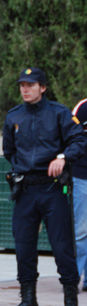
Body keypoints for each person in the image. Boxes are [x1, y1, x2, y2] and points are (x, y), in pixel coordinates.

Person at [2, 67, 86, 306]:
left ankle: (70, 305)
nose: (25, 89)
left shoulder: (59, 113)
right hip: (26, 191)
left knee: (62, 247)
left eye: (30, 85)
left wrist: (63, 157)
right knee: (23, 247)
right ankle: (28, 303)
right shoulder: (14, 116)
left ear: (43, 87)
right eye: (22, 85)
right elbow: (9, 150)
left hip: (53, 190)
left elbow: (79, 141)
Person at [71, 98, 87, 291]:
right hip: (82, 176)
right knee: (81, 231)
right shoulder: (82, 107)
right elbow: (70, 137)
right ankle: (73, 278)